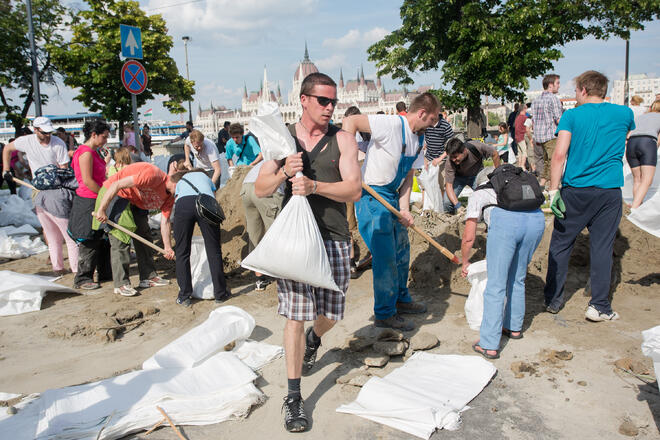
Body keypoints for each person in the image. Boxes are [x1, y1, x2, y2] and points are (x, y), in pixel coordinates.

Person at [254, 72, 361, 433]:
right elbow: (261, 188)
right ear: (303, 99)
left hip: (333, 237)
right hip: (296, 243)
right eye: (323, 101)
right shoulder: (282, 138)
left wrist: (315, 185)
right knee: (295, 317)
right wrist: (285, 170)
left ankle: (316, 338)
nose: (331, 108)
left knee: (332, 313)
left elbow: (354, 190)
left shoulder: (343, 140)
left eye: (334, 102)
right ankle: (294, 397)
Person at [343, 92, 441, 331]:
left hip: (393, 197)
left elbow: (409, 176)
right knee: (385, 257)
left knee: (402, 251)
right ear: (421, 113)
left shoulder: (418, 139)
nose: (435, 124)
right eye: (432, 119)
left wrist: (405, 209)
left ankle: (400, 299)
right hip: (372, 197)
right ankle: (384, 314)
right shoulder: (389, 125)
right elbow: (352, 121)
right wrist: (346, 157)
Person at [544, 70, 635, 321]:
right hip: (609, 192)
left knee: (561, 244)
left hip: (576, 190)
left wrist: (554, 191)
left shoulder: (571, 115)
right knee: (603, 248)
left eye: (575, 91)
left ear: (583, 90)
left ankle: (553, 300)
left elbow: (559, 155)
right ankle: (599, 306)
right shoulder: (625, 114)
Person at [461, 174, 545, 359]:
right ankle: (513, 327)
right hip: (537, 221)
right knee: (517, 277)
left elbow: (468, 236)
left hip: (506, 224)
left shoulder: (479, 194)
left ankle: (489, 344)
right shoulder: (518, 184)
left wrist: (465, 261)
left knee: (495, 285)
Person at [2, 116, 79, 275]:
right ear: (36, 130)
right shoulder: (27, 141)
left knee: (63, 235)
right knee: (60, 235)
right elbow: (7, 149)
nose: (48, 136)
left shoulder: (57, 143)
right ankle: (63, 269)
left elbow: (63, 169)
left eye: (49, 133)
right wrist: (6, 170)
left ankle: (72, 268)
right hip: (40, 192)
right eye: (44, 133)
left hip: (55, 190)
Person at [94, 162, 174, 296]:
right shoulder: (153, 175)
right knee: (121, 239)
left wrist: (167, 247)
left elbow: (165, 222)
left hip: (135, 202)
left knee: (145, 235)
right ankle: (121, 284)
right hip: (117, 195)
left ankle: (148, 277)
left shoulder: (170, 197)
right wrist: (102, 209)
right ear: (175, 182)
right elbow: (116, 184)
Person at [170, 168, 230, 306]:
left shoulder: (181, 181)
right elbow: (213, 199)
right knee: (214, 249)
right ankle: (220, 294)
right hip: (205, 203)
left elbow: (177, 197)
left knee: (182, 251)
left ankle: (184, 296)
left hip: (183, 205)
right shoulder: (207, 179)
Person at [68, 120, 112, 290]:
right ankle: (83, 277)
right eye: (104, 137)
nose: (106, 140)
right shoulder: (85, 153)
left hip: (97, 198)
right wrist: (103, 196)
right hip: (89, 201)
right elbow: (87, 181)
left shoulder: (94, 152)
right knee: (90, 239)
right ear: (94, 135)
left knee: (102, 238)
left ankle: (105, 272)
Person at [241, 161, 284, 290]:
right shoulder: (286, 158)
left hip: (246, 187)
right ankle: (281, 275)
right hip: (266, 189)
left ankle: (260, 278)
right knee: (276, 232)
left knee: (254, 233)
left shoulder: (266, 160)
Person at [443, 137, 501, 214]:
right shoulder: (450, 162)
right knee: (447, 202)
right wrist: (458, 206)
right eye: (451, 157)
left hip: (477, 175)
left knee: (488, 196)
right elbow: (449, 186)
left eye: (455, 157)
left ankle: (487, 214)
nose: (453, 160)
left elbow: (495, 154)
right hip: (459, 178)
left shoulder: (477, 147)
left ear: (464, 151)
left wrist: (498, 174)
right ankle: (450, 219)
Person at [626, 99, 660, 208]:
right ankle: (635, 207)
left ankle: (637, 203)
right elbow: (659, 139)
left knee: (637, 179)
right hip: (647, 142)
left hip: (632, 142)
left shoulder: (641, 117)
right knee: (646, 180)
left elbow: (629, 133)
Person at [531, 73, 563, 187]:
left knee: (546, 162)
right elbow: (559, 120)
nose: (559, 86)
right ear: (551, 85)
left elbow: (533, 121)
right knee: (554, 161)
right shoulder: (553, 99)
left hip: (539, 136)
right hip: (551, 135)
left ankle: (542, 183)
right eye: (557, 83)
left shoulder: (536, 100)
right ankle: (553, 187)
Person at [424, 110, 454, 207]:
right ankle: (425, 207)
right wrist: (424, 158)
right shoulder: (426, 124)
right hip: (429, 157)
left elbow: (452, 144)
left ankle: (439, 206)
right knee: (425, 183)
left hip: (442, 160)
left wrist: (440, 158)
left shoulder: (445, 125)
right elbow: (424, 140)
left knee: (441, 184)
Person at [514, 103, 529, 169]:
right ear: (524, 109)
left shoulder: (517, 118)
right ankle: (523, 166)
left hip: (517, 137)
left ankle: (519, 165)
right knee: (524, 152)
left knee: (519, 152)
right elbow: (527, 128)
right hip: (522, 137)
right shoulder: (524, 118)